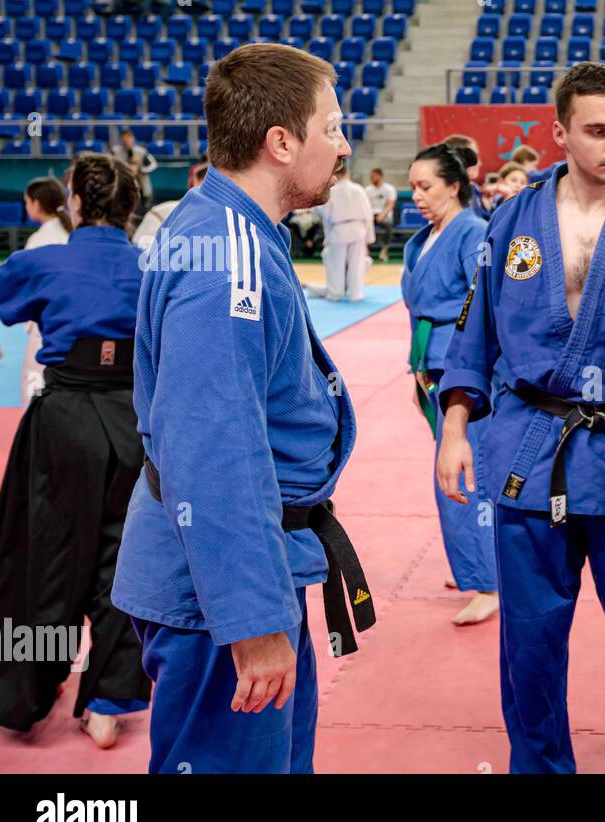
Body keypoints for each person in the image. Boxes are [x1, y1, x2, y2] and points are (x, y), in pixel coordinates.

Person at [436, 62, 605, 774]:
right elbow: (475, 332)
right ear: (559, 133)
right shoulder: (514, 216)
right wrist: (456, 425)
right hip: (527, 448)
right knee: (529, 644)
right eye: (595, 130)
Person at [112, 42, 373, 774]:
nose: (344, 144)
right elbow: (212, 446)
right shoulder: (226, 256)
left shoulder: (238, 232)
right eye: (333, 126)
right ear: (282, 142)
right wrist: (251, 616)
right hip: (219, 589)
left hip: (253, 564)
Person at [0, 153, 152, 749]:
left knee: (43, 558)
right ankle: (108, 700)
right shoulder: (153, 268)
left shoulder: (46, 261)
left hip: (62, 423)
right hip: (136, 422)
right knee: (125, 560)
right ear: (131, 208)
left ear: (75, 203)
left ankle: (28, 688)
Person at [401, 143, 498, 625]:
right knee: (456, 473)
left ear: (454, 186)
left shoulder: (473, 232)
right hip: (430, 368)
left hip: (462, 375)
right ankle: (474, 568)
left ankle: (487, 581)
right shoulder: (423, 239)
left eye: (426, 186)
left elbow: (483, 308)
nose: (416, 196)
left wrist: (460, 367)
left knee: (461, 477)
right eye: (413, 186)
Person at [18, 177, 73, 400]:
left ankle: (34, 429)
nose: (26, 207)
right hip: (74, 323)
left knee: (35, 380)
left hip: (45, 322)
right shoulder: (72, 232)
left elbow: (26, 288)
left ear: (37, 203)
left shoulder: (39, 240)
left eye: (27, 202)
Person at [313, 164, 375, 303]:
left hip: (338, 228)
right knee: (357, 263)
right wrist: (369, 238)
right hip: (358, 228)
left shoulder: (332, 191)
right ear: (348, 174)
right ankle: (356, 294)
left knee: (336, 263)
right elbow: (368, 214)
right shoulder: (359, 189)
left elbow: (326, 215)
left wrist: (327, 237)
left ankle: (335, 293)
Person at [110, 129, 157, 207]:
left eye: (129, 138)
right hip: (122, 186)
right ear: (121, 139)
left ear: (133, 139)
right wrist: (125, 169)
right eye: (124, 139)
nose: (127, 141)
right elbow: (109, 166)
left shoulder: (141, 151)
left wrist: (141, 170)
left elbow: (153, 165)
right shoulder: (115, 152)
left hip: (141, 186)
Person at [365, 167, 397, 263]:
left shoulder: (389, 189)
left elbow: (390, 205)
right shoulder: (367, 190)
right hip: (371, 215)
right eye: (370, 176)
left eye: (373, 176)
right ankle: (365, 250)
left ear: (380, 176)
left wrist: (382, 215)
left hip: (385, 215)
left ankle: (384, 250)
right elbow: (366, 206)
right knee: (363, 226)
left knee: (388, 226)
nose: (371, 178)